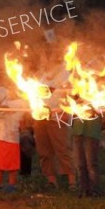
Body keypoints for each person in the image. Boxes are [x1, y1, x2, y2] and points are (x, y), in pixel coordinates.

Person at [34, 46, 76, 191]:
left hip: (58, 117)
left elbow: (70, 94)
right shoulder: (42, 77)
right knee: (44, 151)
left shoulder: (65, 73)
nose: (42, 60)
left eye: (44, 57)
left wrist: (65, 110)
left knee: (62, 149)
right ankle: (51, 181)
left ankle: (72, 181)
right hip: (41, 118)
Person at [0, 87, 27, 193]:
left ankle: (12, 185)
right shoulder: (5, 99)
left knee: (11, 161)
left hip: (10, 136)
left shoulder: (21, 102)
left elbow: (2, 108)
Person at [72, 114, 102, 197]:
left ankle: (93, 190)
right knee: (79, 164)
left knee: (91, 164)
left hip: (91, 132)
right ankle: (83, 189)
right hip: (77, 131)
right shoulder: (76, 101)